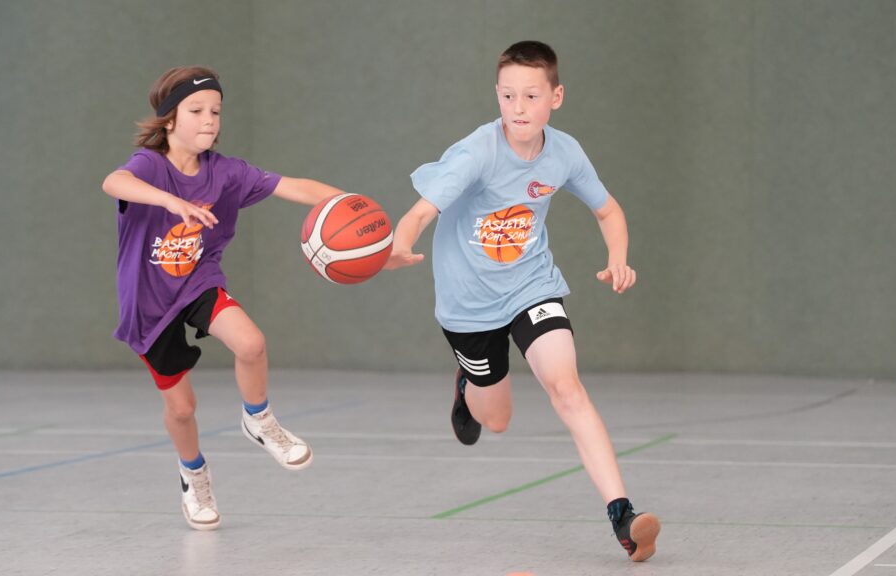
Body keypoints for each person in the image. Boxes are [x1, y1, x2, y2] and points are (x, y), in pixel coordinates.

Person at [385, 41, 660, 561]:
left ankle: (622, 514)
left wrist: (618, 256)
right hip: (468, 306)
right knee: (498, 420)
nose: (518, 107)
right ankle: (467, 384)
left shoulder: (565, 153)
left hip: (532, 286)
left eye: (530, 96)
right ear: (497, 95)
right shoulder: (476, 154)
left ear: (555, 96)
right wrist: (401, 244)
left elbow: (609, 211)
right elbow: (419, 214)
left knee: (567, 387)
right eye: (508, 96)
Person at [102, 66, 344, 530]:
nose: (209, 120)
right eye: (196, 111)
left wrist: (354, 206)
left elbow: (295, 187)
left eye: (215, 110)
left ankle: (260, 419)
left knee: (250, 343)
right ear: (169, 120)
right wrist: (169, 201)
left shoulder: (227, 173)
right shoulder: (149, 167)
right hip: (148, 304)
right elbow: (114, 183)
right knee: (183, 408)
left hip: (198, 282)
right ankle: (193, 474)